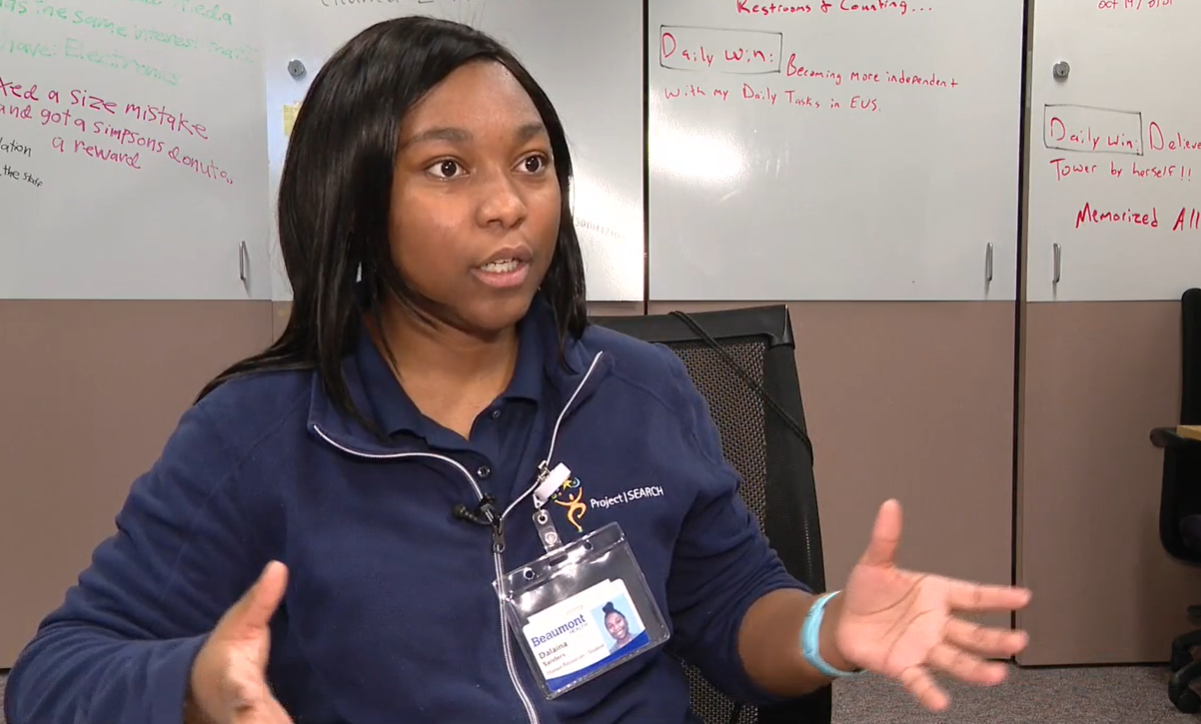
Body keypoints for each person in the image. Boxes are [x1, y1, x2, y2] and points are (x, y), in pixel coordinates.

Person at [1, 15, 1032, 724]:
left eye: (531, 162)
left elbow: (728, 611)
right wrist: (191, 680)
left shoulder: (637, 391)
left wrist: (824, 626)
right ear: (356, 204)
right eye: (449, 168)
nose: (509, 204)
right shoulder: (257, 435)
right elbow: (49, 677)